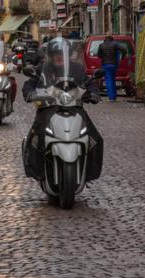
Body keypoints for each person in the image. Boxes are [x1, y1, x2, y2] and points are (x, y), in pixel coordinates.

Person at [22, 37, 103, 182]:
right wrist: (30, 92)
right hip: (48, 108)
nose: (59, 56)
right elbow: (30, 83)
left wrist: (94, 93)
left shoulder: (76, 68)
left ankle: (89, 173)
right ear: (51, 55)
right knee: (35, 138)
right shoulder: (43, 69)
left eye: (61, 53)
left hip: (75, 107)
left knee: (95, 138)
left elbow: (88, 82)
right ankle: (38, 171)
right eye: (55, 54)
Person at [97, 35, 127, 102]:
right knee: (112, 80)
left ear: (105, 39)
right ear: (112, 39)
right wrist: (123, 57)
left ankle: (111, 97)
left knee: (108, 81)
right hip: (114, 65)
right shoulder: (115, 44)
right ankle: (114, 96)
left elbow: (99, 55)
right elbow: (124, 49)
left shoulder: (101, 45)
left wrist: (104, 57)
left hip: (105, 65)